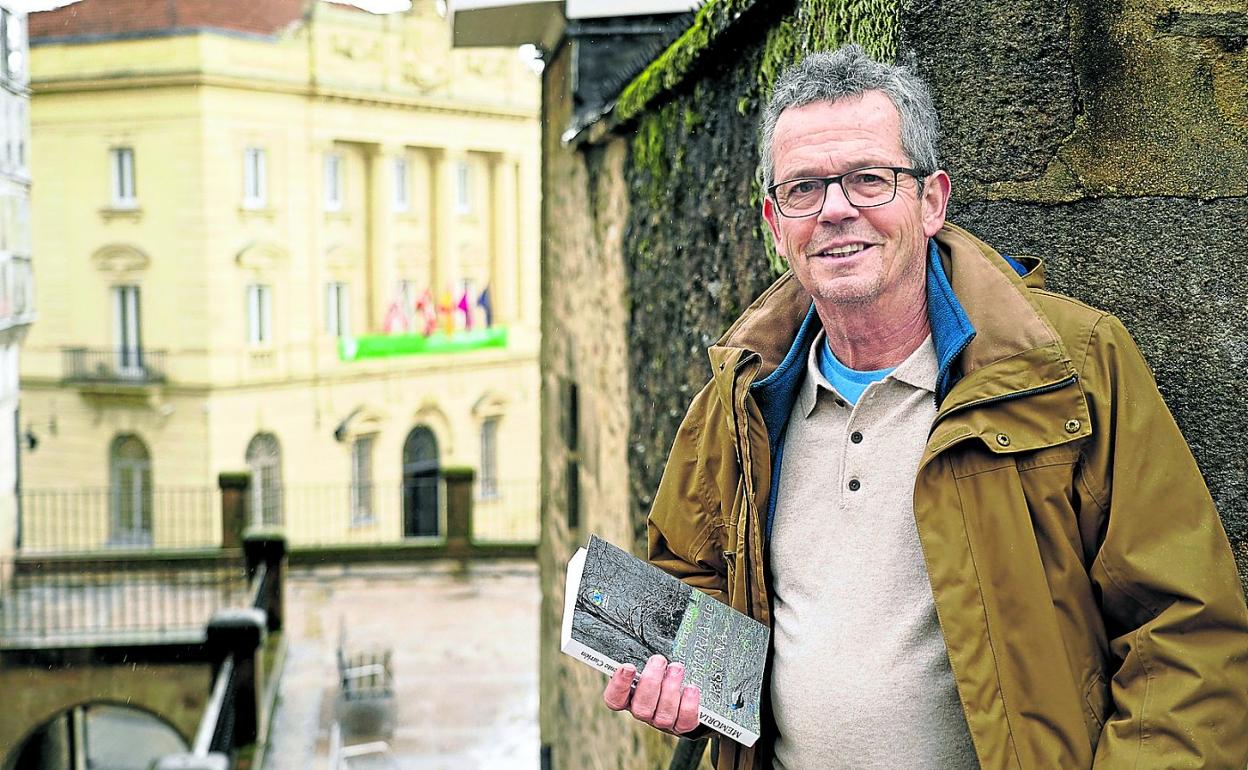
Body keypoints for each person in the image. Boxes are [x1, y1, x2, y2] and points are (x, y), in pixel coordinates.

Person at [600, 45, 1248, 770]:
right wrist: (680, 683)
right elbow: (693, 574)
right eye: (804, 188)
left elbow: (1185, 635)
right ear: (776, 223)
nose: (836, 210)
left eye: (868, 179)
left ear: (931, 201)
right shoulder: (740, 396)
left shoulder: (1069, 367)